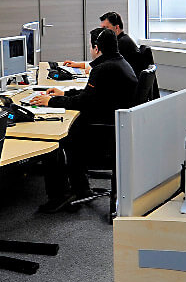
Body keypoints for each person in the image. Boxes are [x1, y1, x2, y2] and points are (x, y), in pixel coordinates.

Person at [30, 27, 138, 212]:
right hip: (114, 127)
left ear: (96, 48)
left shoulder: (102, 69)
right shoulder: (119, 63)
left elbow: (84, 102)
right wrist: (64, 93)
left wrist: (52, 101)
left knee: (57, 138)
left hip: (103, 133)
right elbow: (93, 94)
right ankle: (81, 188)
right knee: (71, 129)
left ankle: (60, 195)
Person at [64, 11, 141, 74]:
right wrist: (78, 65)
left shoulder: (121, 44)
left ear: (116, 27)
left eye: (106, 28)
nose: (102, 32)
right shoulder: (122, 39)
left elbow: (102, 64)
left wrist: (90, 69)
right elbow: (101, 61)